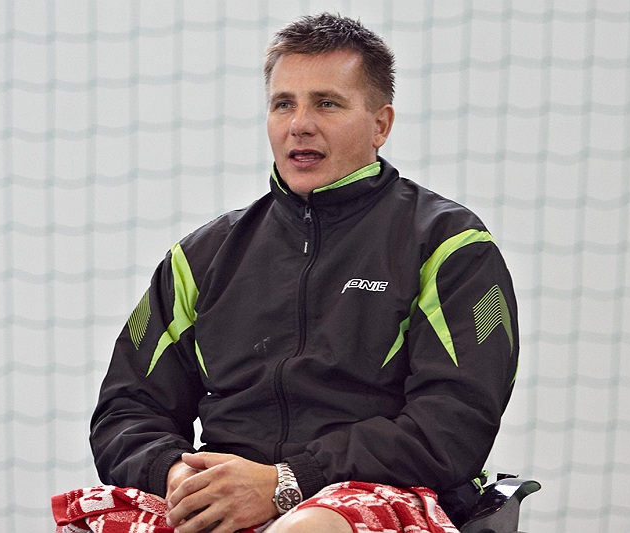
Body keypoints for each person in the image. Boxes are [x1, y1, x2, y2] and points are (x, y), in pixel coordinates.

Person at [89, 12, 519, 533]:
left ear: (381, 124)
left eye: (327, 103)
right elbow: (125, 410)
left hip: (391, 492)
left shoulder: (451, 246)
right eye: (283, 104)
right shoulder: (198, 257)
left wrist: (285, 483)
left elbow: (454, 424)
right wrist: (179, 477)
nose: (299, 124)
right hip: (227, 494)